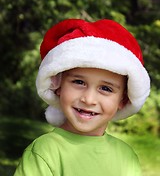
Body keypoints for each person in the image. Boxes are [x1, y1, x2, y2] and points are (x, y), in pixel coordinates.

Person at [14, 18, 150, 176]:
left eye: (105, 88)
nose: (88, 99)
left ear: (123, 99)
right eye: (79, 82)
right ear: (58, 85)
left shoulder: (127, 157)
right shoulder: (44, 152)